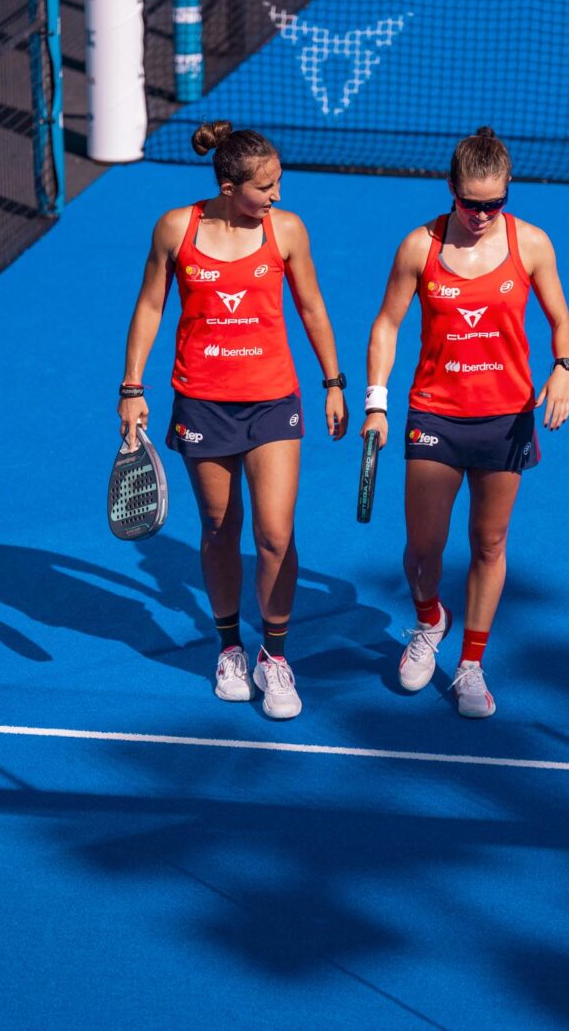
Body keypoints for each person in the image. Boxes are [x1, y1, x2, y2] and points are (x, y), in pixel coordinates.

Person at [118, 123, 348, 719]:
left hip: (273, 401)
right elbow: (150, 305)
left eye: (278, 183)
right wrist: (132, 387)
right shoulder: (176, 228)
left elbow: (312, 306)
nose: (277, 195)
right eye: (265, 187)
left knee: (275, 535)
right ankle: (228, 649)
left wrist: (333, 382)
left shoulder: (286, 230)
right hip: (203, 402)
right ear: (228, 187)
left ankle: (275, 657)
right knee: (220, 528)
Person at [361, 126, 569, 718]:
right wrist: (376, 401)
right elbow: (386, 325)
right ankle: (430, 619)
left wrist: (564, 369)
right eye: (471, 203)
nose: (482, 215)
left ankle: (471, 664)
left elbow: (562, 321)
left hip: (505, 419)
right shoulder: (419, 247)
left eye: (494, 204)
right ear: (450, 189)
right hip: (435, 413)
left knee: (489, 542)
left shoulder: (531, 244)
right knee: (422, 550)